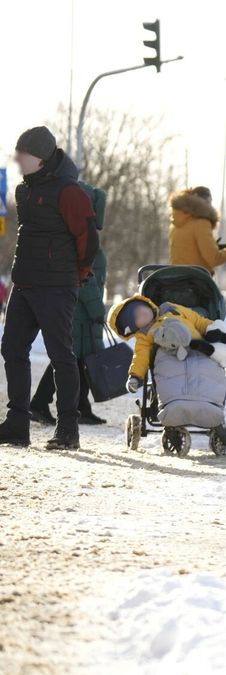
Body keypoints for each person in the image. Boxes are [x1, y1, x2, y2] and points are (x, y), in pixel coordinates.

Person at [0, 127, 98, 450]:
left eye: (21, 153)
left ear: (39, 159)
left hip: (57, 286)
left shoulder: (69, 192)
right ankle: (17, 424)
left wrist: (77, 274)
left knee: (61, 355)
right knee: (12, 348)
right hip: (25, 283)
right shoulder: (24, 191)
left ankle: (67, 429)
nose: (16, 158)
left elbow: (88, 239)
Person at [30, 181, 109, 427]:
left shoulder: (73, 234)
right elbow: (86, 278)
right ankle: (40, 403)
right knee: (69, 358)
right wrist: (98, 310)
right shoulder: (80, 238)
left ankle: (79, 406)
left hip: (79, 309)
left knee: (80, 358)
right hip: (79, 309)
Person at [109, 295, 226, 395]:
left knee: (220, 349)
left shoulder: (171, 309)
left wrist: (211, 328)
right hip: (175, 361)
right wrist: (135, 376)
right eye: (136, 318)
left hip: (202, 350)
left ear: (145, 303)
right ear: (133, 329)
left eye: (139, 309)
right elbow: (140, 357)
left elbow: (197, 320)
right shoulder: (144, 337)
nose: (141, 314)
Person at [168, 186, 226, 274]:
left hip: (176, 278)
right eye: (210, 201)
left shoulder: (176, 224)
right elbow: (214, 258)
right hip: (196, 281)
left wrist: (214, 246)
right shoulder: (201, 223)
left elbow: (188, 251)